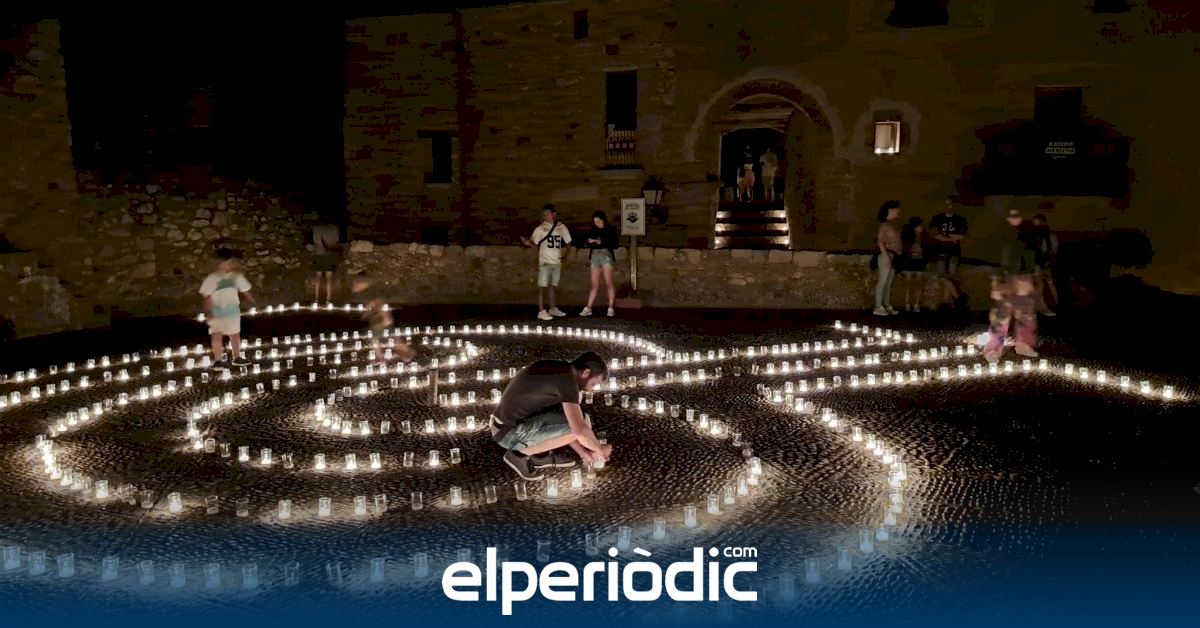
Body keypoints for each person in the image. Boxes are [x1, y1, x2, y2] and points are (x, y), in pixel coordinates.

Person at [490, 352, 611, 481]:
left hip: (504, 424)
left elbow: (568, 420)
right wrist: (600, 449)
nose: (590, 390)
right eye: (593, 384)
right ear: (586, 373)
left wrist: (583, 452)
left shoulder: (562, 370)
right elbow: (578, 429)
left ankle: (540, 456)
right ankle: (517, 455)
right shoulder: (567, 382)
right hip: (508, 433)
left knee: (574, 418)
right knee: (583, 424)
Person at [986, 209, 1039, 364]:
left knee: (1025, 314)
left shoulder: (1029, 233)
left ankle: (1024, 346)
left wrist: (1032, 276)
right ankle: (993, 349)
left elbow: (1032, 255)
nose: (1014, 219)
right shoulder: (1000, 233)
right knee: (1001, 315)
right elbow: (994, 258)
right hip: (1005, 278)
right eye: (1011, 215)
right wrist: (995, 281)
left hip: (1024, 277)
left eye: (1017, 215)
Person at [199, 248, 255, 370]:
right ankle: (218, 360)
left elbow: (245, 289)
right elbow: (207, 296)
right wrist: (208, 312)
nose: (231, 265)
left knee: (235, 334)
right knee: (217, 336)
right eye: (228, 262)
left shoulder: (236, 276)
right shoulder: (212, 278)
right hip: (216, 312)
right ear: (219, 263)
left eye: (232, 262)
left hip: (232, 311)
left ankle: (237, 357)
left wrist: (251, 299)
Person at [520, 204, 573, 321]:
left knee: (552, 286)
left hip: (556, 261)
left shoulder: (561, 227)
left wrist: (565, 256)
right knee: (542, 286)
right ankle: (541, 311)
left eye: (547, 214)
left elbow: (569, 242)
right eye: (544, 214)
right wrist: (527, 243)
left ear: (554, 214)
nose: (545, 216)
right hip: (545, 262)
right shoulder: (540, 228)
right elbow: (534, 244)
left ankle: (552, 308)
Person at [352, 278, 415, 365]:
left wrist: (379, 355)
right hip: (383, 324)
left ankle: (369, 286)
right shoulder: (392, 331)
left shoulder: (393, 342)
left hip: (380, 326)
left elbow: (377, 339)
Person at [929, 197, 968, 308]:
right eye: (946, 204)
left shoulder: (960, 219)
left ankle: (947, 302)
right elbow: (934, 235)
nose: (948, 206)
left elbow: (962, 236)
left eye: (950, 204)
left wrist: (945, 237)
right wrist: (951, 238)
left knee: (950, 276)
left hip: (954, 251)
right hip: (940, 251)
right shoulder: (937, 218)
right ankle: (957, 298)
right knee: (942, 275)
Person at [581, 210, 618, 318]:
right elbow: (586, 243)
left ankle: (610, 307)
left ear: (603, 220)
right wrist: (589, 241)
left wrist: (600, 242)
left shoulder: (610, 230)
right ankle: (588, 307)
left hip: (606, 255)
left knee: (608, 282)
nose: (597, 223)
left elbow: (615, 244)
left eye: (598, 221)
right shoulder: (593, 230)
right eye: (595, 222)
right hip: (595, 256)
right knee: (594, 284)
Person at [872, 201, 902, 316]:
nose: (898, 211)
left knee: (888, 283)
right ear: (890, 210)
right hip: (887, 255)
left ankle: (886, 305)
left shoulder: (891, 225)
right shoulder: (884, 225)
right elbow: (880, 241)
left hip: (893, 255)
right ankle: (878, 307)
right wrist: (886, 256)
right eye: (896, 208)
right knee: (883, 281)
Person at [1026, 213, 1059, 316]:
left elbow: (1052, 252)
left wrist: (1049, 262)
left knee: (1050, 285)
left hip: (1045, 263)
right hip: (1037, 264)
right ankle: (1041, 308)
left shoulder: (1050, 237)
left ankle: (1056, 306)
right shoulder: (1033, 236)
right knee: (1038, 286)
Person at [897, 216, 929, 312]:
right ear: (915, 226)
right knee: (909, 283)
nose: (922, 227)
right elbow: (904, 249)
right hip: (910, 261)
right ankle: (908, 304)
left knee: (917, 283)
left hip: (919, 261)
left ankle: (916, 304)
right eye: (920, 225)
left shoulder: (923, 236)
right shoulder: (908, 236)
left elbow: (927, 247)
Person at [311, 223, 341, 302]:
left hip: (319, 254)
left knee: (318, 276)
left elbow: (315, 240)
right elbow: (336, 241)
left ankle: (316, 298)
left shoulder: (317, 227)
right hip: (330, 255)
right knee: (329, 277)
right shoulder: (334, 228)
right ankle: (329, 298)